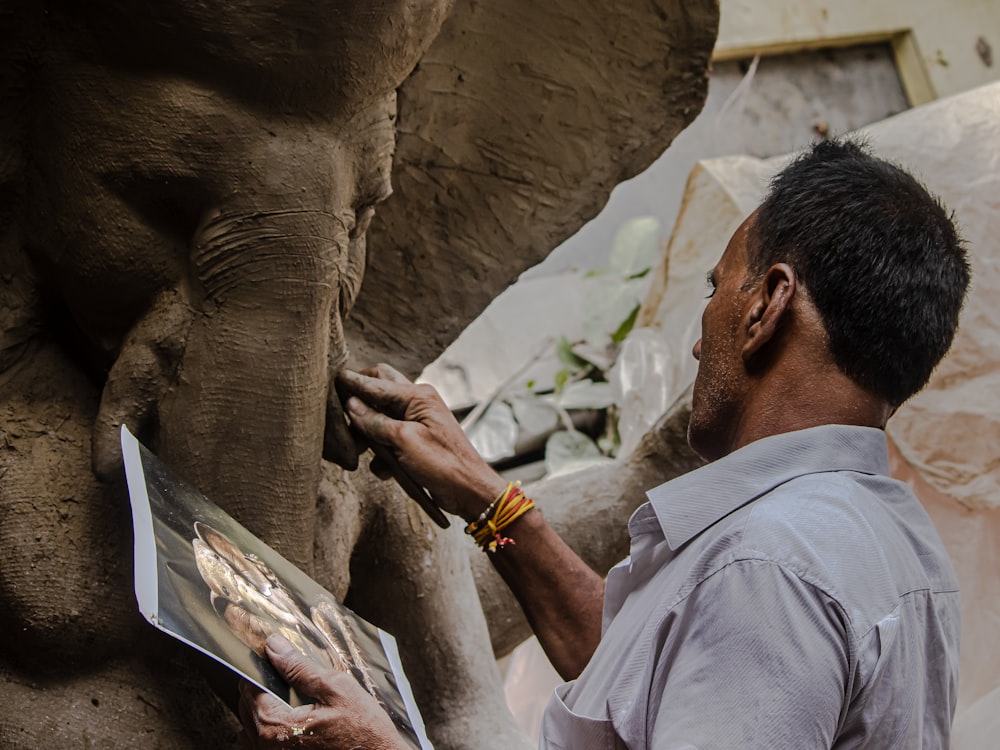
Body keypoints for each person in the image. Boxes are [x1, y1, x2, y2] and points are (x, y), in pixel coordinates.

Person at [238, 139, 969, 748]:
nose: (695, 340)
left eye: (716, 291)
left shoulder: (769, 570)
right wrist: (489, 500)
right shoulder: (893, 541)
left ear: (767, 306)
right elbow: (650, 676)